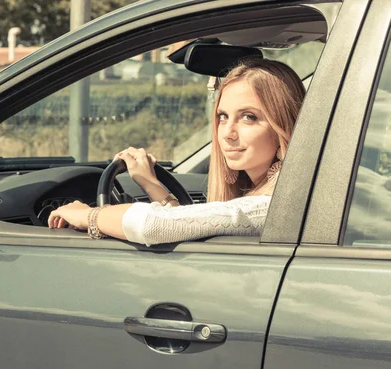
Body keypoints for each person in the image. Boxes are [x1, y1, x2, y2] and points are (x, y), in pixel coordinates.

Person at [48, 58, 306, 246]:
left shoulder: (271, 206)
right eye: (223, 117)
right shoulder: (264, 196)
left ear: (283, 125)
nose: (227, 132)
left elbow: (157, 225)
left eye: (249, 117)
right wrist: (150, 183)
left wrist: (87, 215)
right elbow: (190, 224)